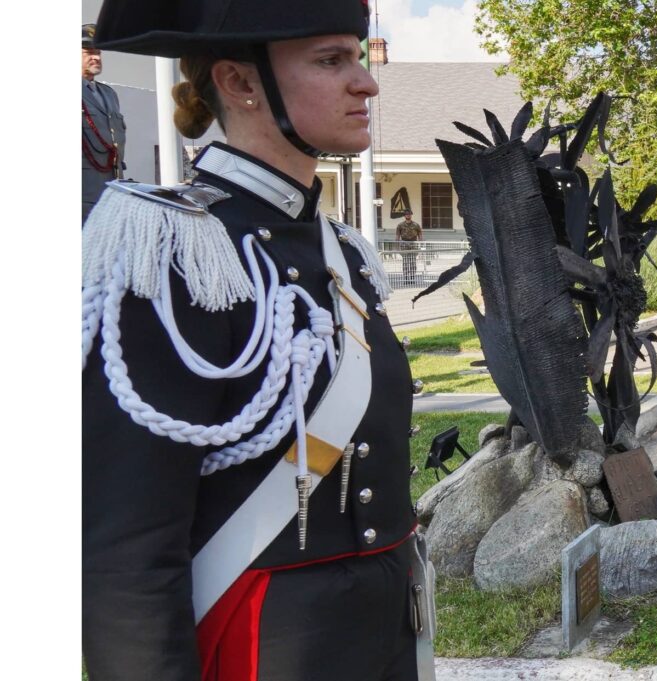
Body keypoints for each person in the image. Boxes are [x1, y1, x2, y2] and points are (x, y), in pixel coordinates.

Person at [82, 1, 428, 680]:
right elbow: (129, 557)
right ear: (241, 83)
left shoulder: (348, 256)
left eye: (356, 56)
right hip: (257, 651)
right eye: (331, 61)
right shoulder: (172, 254)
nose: (366, 83)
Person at [82, 23, 127, 223]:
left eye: (98, 52)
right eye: (88, 52)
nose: (96, 58)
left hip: (112, 192)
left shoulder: (109, 94)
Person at [395, 209, 423, 286]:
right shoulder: (400, 225)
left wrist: (421, 244)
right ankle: (406, 278)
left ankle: (412, 278)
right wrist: (397, 246)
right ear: (404, 216)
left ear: (411, 215)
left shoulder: (416, 225)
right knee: (405, 262)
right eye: (406, 214)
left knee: (413, 262)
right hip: (404, 245)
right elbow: (397, 236)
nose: (408, 215)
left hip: (414, 245)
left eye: (409, 214)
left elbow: (420, 235)